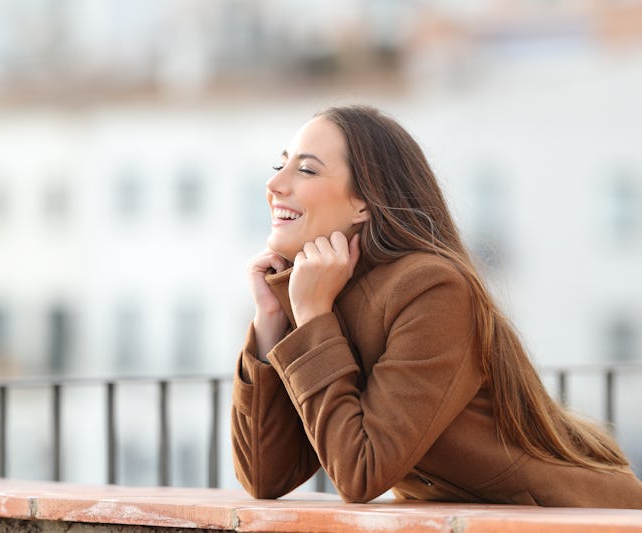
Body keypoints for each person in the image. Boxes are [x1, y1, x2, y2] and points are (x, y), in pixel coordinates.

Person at [230, 105, 642, 508]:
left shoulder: (431, 287)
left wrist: (314, 318)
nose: (275, 185)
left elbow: (361, 472)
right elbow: (265, 475)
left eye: (306, 169)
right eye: (279, 166)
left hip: (572, 517)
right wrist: (270, 320)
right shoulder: (319, 293)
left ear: (364, 202)